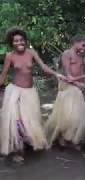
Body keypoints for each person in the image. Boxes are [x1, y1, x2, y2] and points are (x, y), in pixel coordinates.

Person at [0, 27, 66, 163]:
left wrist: (56, 74)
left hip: (30, 93)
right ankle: (17, 151)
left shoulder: (31, 53)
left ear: (25, 40)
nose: (19, 43)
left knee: (30, 121)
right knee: (16, 122)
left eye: (21, 40)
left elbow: (43, 67)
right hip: (15, 92)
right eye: (16, 41)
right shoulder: (9, 56)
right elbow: (3, 76)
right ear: (12, 42)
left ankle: (27, 143)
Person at [45, 34, 85, 149]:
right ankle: (61, 138)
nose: (84, 47)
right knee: (66, 115)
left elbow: (81, 74)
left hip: (77, 86)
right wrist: (77, 83)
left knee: (77, 115)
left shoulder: (81, 56)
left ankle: (69, 138)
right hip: (67, 85)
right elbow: (67, 73)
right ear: (76, 42)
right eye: (83, 44)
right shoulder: (67, 54)